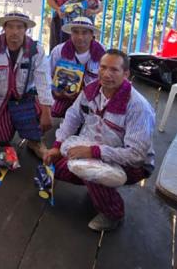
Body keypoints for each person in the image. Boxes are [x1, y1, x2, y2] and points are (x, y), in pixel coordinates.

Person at [43, 50, 155, 231]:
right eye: (103, 67)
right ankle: (100, 187)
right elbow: (72, 116)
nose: (106, 74)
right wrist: (57, 146)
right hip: (95, 146)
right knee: (59, 169)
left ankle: (114, 214)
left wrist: (93, 152)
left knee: (92, 172)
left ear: (126, 74)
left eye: (114, 70)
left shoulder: (138, 107)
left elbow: (137, 156)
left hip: (133, 165)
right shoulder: (91, 90)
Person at [0, 12, 53, 159]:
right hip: (1, 100)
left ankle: (34, 141)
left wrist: (47, 112)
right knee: (2, 139)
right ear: (4, 28)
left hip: (24, 100)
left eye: (19, 27)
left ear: (26, 29)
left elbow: (43, 81)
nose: (15, 32)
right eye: (10, 27)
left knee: (39, 122)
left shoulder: (36, 50)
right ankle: (1, 120)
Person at [48, 17, 105, 118]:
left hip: (92, 99)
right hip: (62, 97)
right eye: (76, 32)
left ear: (92, 35)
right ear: (71, 34)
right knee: (53, 113)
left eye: (84, 33)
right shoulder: (58, 51)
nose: (80, 37)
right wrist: (56, 91)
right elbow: (47, 76)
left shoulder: (103, 53)